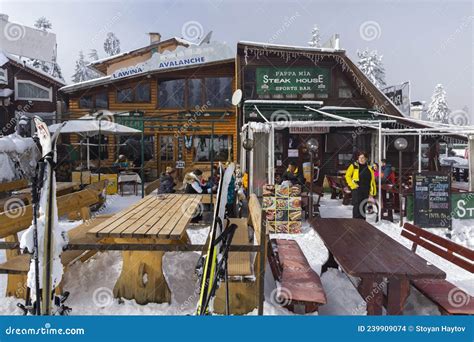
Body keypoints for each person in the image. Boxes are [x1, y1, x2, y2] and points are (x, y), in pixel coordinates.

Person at [345, 151, 377, 219]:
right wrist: (352, 185)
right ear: (358, 158)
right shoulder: (353, 166)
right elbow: (347, 176)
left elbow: (372, 180)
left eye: (363, 158)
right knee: (357, 206)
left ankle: (362, 223)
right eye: (360, 157)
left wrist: (372, 191)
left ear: (366, 159)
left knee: (363, 206)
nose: (361, 159)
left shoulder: (369, 168)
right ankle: (356, 223)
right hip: (357, 189)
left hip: (366, 189)